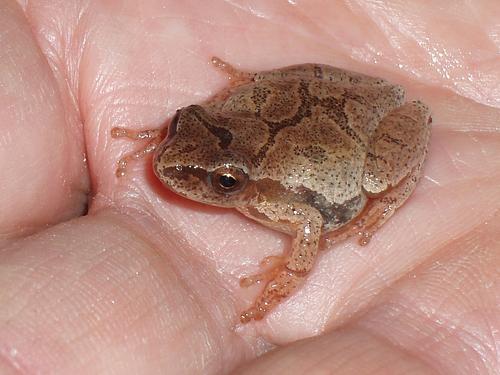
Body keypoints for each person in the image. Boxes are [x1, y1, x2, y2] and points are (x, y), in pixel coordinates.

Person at [0, 1, 498, 373]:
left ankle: (389, 194)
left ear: (244, 186)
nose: (168, 167)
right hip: (334, 105)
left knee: (375, 179)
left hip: (360, 141)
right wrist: (171, 133)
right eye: (179, 125)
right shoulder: (212, 126)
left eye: (224, 183)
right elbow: (203, 132)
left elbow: (307, 220)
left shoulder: (267, 196)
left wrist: (289, 275)